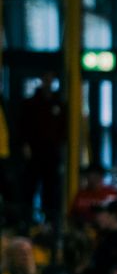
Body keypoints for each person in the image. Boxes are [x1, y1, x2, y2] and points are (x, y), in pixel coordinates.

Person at [17, 74, 66, 230]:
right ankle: (27, 221)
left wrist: (60, 147)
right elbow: (22, 127)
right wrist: (25, 145)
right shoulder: (31, 103)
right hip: (34, 153)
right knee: (29, 187)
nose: (48, 81)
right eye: (46, 78)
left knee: (51, 190)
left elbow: (63, 130)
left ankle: (49, 223)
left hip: (52, 153)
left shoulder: (59, 104)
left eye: (51, 78)